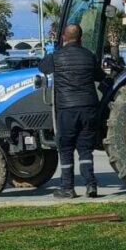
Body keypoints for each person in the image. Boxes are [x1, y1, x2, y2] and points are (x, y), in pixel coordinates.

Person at [38, 24, 103, 199]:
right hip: (89, 108)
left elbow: (42, 67)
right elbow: (100, 76)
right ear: (80, 38)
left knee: (65, 148)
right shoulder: (89, 56)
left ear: (64, 38)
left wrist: (51, 51)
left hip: (67, 109)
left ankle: (67, 188)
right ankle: (91, 186)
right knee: (85, 149)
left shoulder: (56, 57)